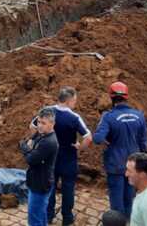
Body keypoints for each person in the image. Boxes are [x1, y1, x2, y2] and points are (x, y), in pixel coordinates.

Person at [93, 82, 147, 218]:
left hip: (115, 164)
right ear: (126, 97)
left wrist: (107, 140)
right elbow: (143, 141)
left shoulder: (108, 116)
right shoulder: (139, 115)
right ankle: (129, 220)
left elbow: (98, 138)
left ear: (111, 97)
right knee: (129, 197)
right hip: (134, 164)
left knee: (117, 202)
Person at [47, 87, 92, 226]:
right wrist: (80, 148)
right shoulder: (74, 117)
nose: (75, 104)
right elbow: (88, 138)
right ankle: (67, 218)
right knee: (68, 188)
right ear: (69, 100)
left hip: (50, 157)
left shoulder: (47, 112)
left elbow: (32, 126)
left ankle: (48, 215)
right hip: (68, 158)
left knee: (50, 187)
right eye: (74, 101)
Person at [22, 106, 59, 226]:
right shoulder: (42, 135)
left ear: (52, 124)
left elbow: (31, 159)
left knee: (34, 220)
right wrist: (29, 148)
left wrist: (25, 147)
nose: (40, 125)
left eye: (43, 123)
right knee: (41, 215)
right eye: (38, 122)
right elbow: (31, 145)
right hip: (39, 181)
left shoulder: (49, 142)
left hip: (40, 184)